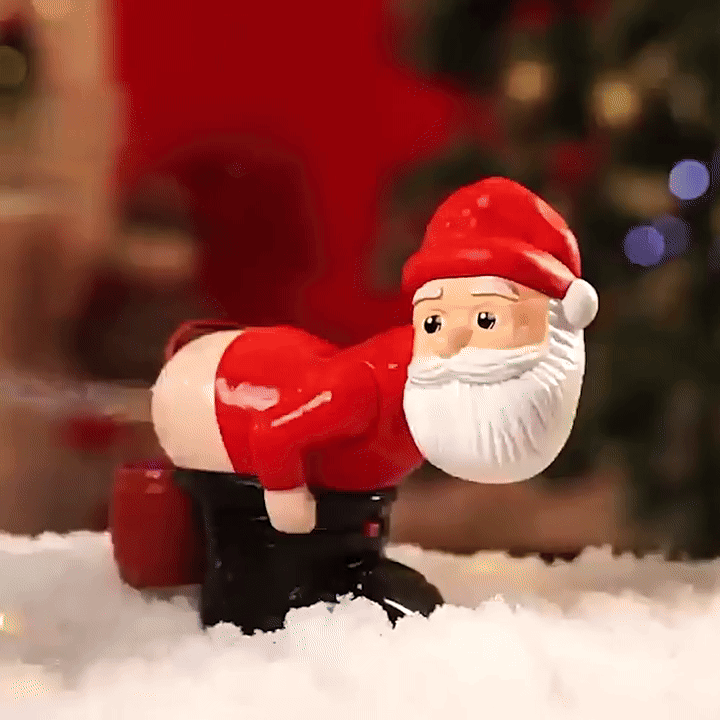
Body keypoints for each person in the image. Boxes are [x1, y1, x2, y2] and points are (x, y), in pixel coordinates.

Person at [111, 176, 598, 633]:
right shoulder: (372, 386)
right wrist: (286, 500)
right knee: (258, 586)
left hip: (341, 494)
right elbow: (275, 432)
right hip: (219, 403)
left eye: (486, 320)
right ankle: (258, 600)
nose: (452, 343)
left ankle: (341, 570)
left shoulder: (438, 401)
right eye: (434, 323)